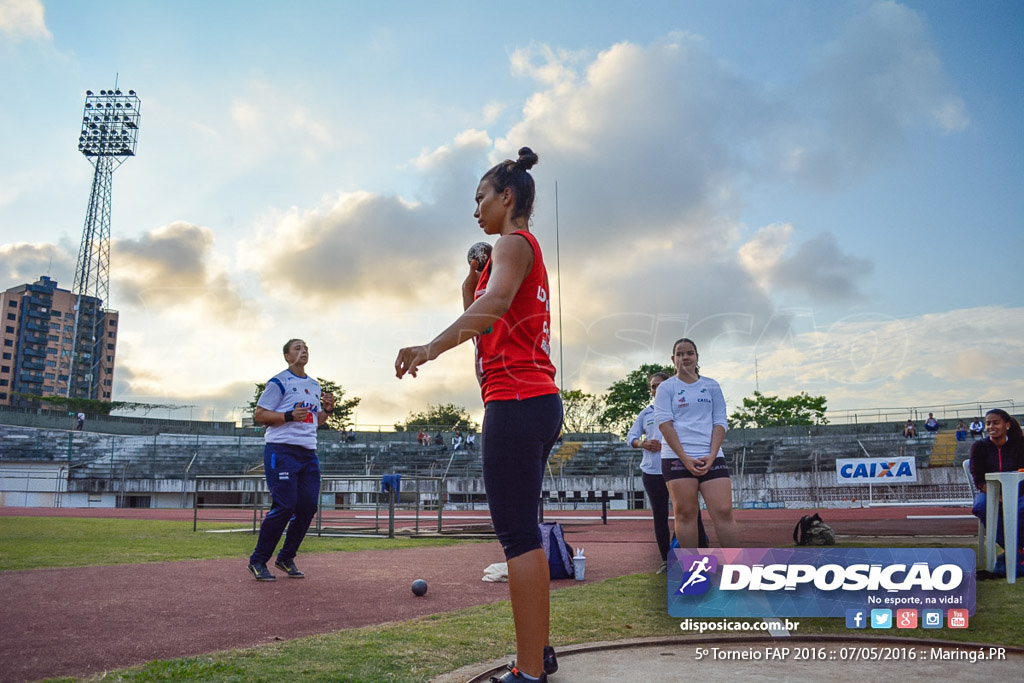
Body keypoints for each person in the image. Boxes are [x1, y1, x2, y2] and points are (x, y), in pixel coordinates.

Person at [396, 147, 562, 683]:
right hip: (529, 400)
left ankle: (529, 671)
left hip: (517, 405)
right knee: (524, 533)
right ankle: (539, 650)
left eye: (481, 198)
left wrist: (429, 347)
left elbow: (490, 310)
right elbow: (486, 309)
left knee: (517, 537)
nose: (476, 211)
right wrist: (473, 285)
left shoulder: (513, 242)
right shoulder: (513, 251)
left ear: (506, 196)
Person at [247, 339, 335, 582]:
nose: (303, 350)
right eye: (297, 348)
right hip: (281, 450)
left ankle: (286, 557)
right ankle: (258, 560)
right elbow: (259, 415)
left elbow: (313, 422)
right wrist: (287, 415)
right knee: (285, 506)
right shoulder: (278, 382)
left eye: (306, 347)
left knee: (307, 507)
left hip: (308, 453)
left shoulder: (315, 386)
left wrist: (326, 411)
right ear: (287, 356)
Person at [655, 338, 739, 549]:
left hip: (710, 455)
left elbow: (720, 421)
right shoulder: (666, 388)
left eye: (690, 353)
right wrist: (685, 457)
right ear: (673, 359)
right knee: (685, 514)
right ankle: (694, 570)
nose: (685, 357)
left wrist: (712, 455)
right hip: (677, 458)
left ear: (697, 357)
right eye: (680, 354)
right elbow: (665, 425)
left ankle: (736, 568)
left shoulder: (711, 385)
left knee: (723, 510)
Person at [626, 371, 708, 574]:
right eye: (653, 386)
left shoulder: (681, 409)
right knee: (660, 516)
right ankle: (666, 561)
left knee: (691, 513)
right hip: (653, 472)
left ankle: (702, 557)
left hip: (678, 469)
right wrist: (643, 443)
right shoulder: (646, 413)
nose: (656, 389)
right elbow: (631, 436)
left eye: (660, 385)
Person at [969, 408, 1024, 575]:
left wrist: (1012, 496)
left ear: (1007, 425)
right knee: (980, 506)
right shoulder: (979, 446)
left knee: (1021, 509)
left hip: (1019, 492)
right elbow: (978, 478)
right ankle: (1014, 549)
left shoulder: (1020, 445)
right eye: (988, 423)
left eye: (995, 422)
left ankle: (1017, 550)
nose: (991, 426)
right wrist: (998, 497)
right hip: (989, 493)